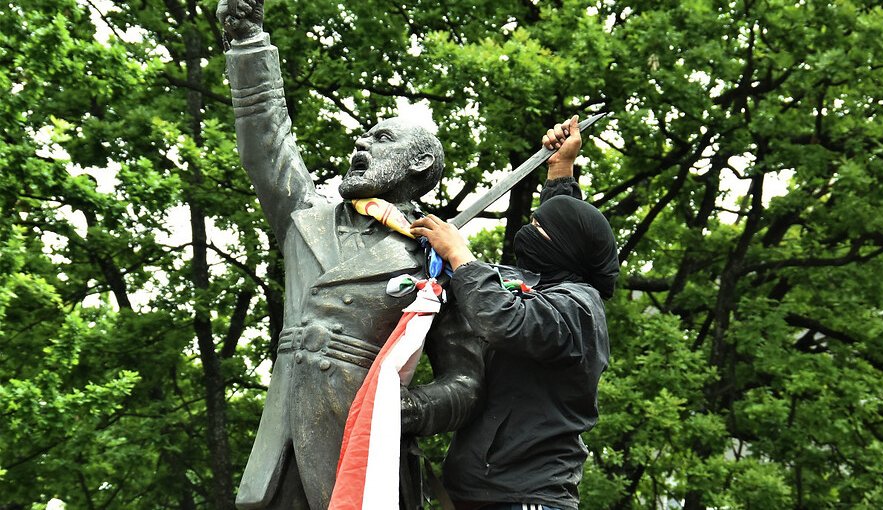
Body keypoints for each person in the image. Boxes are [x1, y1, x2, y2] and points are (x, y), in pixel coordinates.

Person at [216, 1, 485, 508]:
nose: (360, 144)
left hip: (366, 461)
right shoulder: (306, 215)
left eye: (381, 139)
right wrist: (249, 39)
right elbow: (267, 144)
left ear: (420, 161)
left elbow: (467, 380)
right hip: (280, 453)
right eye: (361, 137)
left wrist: (408, 409)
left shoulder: (437, 253)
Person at [410, 115, 619, 510]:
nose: (530, 226)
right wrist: (561, 170)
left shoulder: (579, 309)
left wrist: (460, 255)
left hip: (528, 499)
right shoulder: (557, 290)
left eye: (539, 227)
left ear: (563, 248)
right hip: (486, 494)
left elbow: (505, 321)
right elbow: (562, 226)